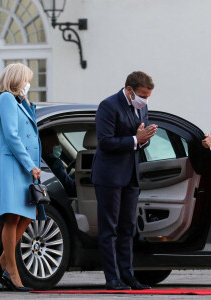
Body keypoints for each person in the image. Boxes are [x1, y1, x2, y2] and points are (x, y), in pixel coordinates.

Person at [92, 71, 158, 290]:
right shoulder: (109, 106)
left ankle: (128, 275)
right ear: (129, 90)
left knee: (128, 228)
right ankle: (112, 278)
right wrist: (134, 139)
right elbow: (105, 142)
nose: (145, 100)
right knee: (109, 228)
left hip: (131, 175)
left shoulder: (142, 108)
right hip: (109, 176)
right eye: (142, 95)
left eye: (148, 97)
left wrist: (143, 139)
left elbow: (140, 143)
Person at [0, 63, 45, 292]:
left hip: (21, 167)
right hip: (12, 165)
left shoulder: (17, 102)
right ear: (16, 79)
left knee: (28, 213)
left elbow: (28, 128)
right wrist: (30, 165)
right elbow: (12, 136)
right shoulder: (5, 100)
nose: (27, 84)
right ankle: (11, 271)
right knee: (12, 218)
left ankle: (2, 261)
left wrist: (28, 105)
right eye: (26, 80)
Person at [40, 129, 77, 197]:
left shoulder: (43, 160)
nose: (58, 145)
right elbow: (71, 188)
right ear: (46, 145)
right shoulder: (55, 164)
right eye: (56, 143)